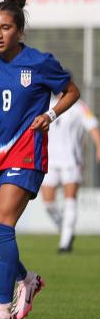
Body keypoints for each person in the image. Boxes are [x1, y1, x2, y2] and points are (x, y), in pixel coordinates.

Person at [0, 0, 79, 319]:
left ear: (19, 31)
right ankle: (26, 279)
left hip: (27, 153)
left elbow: (72, 91)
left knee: (1, 225)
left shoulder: (39, 62)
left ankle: (0, 307)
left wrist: (51, 115)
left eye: (6, 27)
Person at [40, 93, 100, 253]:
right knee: (48, 203)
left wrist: (99, 145)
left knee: (70, 200)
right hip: (50, 161)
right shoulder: (48, 103)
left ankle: (65, 243)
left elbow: (92, 126)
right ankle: (64, 230)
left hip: (71, 161)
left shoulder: (80, 106)